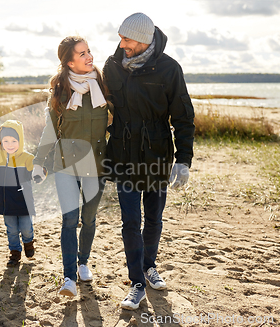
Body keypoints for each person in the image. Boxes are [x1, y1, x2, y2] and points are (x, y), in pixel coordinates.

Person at [102, 13, 195, 310]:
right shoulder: (112, 67)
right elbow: (97, 108)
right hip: (124, 155)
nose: (122, 44)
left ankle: (149, 265)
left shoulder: (169, 69)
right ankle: (137, 283)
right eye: (120, 38)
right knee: (130, 221)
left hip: (157, 155)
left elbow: (183, 117)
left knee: (154, 219)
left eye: (127, 40)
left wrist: (183, 160)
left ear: (143, 40)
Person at [32, 36, 109, 297]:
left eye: (89, 51)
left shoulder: (103, 85)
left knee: (88, 219)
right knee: (69, 220)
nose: (89, 57)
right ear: (69, 62)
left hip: (97, 164)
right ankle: (68, 278)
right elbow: (50, 131)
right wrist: (39, 163)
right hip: (65, 164)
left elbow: (116, 123)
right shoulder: (60, 92)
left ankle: (83, 261)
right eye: (82, 54)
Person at [0, 120, 36, 267]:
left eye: (14, 141)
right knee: (11, 230)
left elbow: (38, 173)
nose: (10, 144)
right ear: (0, 142)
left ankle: (28, 243)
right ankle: (15, 253)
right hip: (6, 203)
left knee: (25, 228)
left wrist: (41, 171)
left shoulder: (27, 158)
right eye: (5, 141)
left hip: (23, 203)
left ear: (20, 141)